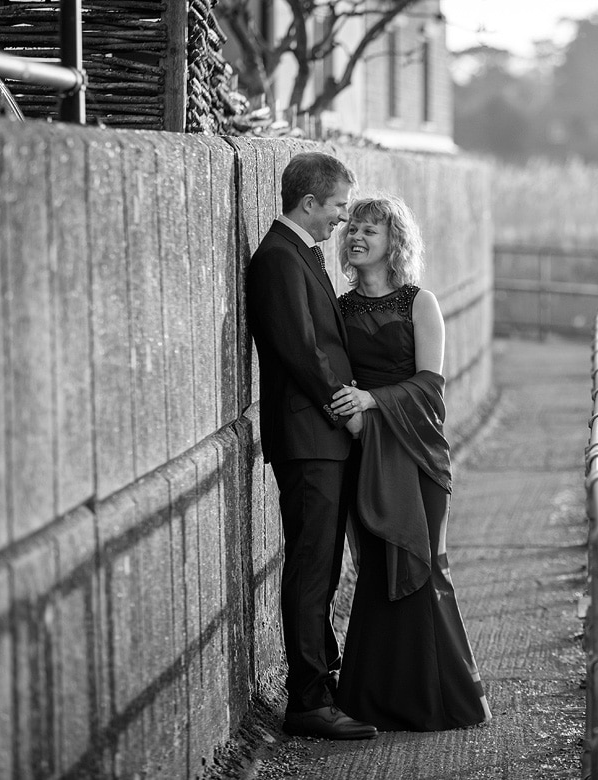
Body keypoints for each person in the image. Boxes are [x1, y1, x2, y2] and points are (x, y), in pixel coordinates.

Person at [328, 195, 492, 731]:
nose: (357, 236)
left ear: (393, 241)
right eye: (352, 227)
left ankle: (441, 702)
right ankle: (374, 701)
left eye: (370, 230)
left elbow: (430, 388)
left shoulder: (420, 304)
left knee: (425, 569)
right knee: (377, 573)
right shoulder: (340, 307)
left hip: (418, 453)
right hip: (367, 453)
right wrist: (358, 414)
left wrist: (374, 401)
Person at [245, 152, 377, 741]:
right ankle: (307, 700)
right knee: (309, 567)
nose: (341, 222)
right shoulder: (278, 258)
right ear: (309, 203)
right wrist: (344, 408)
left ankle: (322, 682)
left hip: (318, 438)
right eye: (338, 209)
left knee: (321, 566)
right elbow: (302, 350)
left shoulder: (301, 253)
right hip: (308, 437)